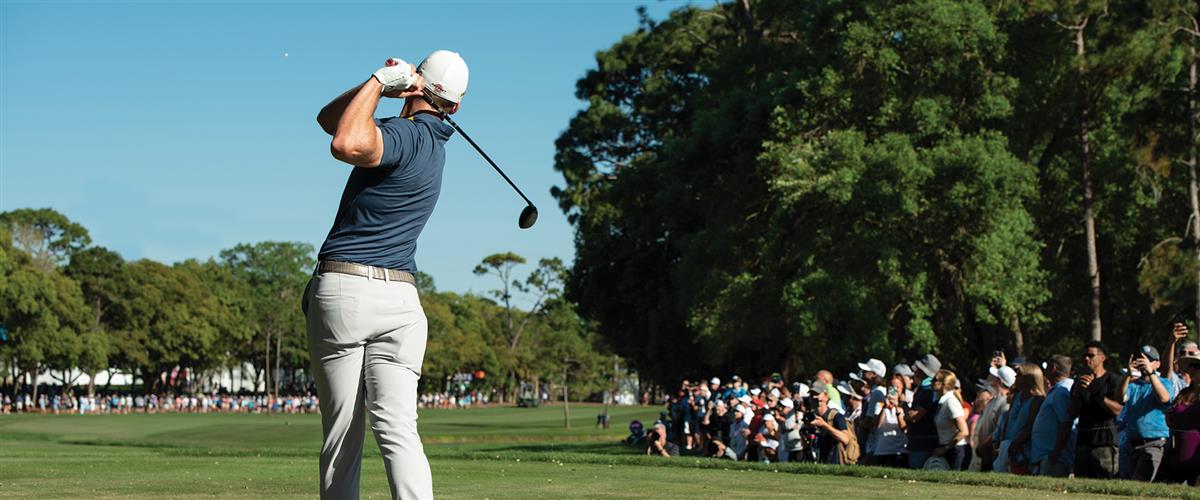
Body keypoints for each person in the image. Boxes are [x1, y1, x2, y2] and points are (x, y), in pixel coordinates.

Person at [306, 50, 469, 500]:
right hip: (402, 303)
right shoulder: (433, 145)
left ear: (417, 83)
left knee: (343, 434)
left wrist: (380, 81)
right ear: (455, 106)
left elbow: (343, 142)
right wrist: (378, 87)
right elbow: (329, 120)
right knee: (399, 430)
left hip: (347, 289)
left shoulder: (403, 135)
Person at [1120, 344, 1176, 482]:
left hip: (1154, 443)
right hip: (1132, 443)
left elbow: (1164, 398)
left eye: (1148, 360)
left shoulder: (1165, 383)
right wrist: (1127, 375)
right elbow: (1119, 398)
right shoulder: (1133, 385)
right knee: (1128, 483)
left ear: (1157, 364)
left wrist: (1151, 374)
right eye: (1140, 359)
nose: (1143, 363)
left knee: (1139, 482)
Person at [1069, 341, 1123, 479]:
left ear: (1102, 358)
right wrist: (1076, 393)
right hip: (1083, 442)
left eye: (1091, 355)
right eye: (1084, 356)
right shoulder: (1079, 381)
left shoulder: (1113, 380)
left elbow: (1117, 409)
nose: (1086, 359)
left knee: (1106, 483)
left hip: (1105, 443)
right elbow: (1072, 412)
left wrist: (1096, 392)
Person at [994, 363, 1045, 474]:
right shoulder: (1016, 396)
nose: (1015, 377)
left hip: (1024, 450)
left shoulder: (1037, 400)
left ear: (1029, 378)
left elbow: (1030, 427)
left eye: (1019, 375)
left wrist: (1014, 444)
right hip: (1008, 445)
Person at [1030, 355, 1074, 477]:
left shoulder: (1061, 392)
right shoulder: (1059, 389)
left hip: (1055, 458)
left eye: (1047, 367)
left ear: (1053, 368)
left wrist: (1055, 453)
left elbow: (1065, 423)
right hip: (1049, 455)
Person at [1163, 351, 1200, 484]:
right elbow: (1171, 417)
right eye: (1191, 366)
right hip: (1178, 452)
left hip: (1197, 455)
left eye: (1197, 366)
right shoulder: (1184, 393)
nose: (1193, 369)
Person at [973, 363, 1014, 472]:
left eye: (994, 377)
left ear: (999, 381)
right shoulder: (993, 400)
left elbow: (999, 430)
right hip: (984, 452)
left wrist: (984, 445)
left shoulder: (1005, 403)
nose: (991, 380)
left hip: (992, 453)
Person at [905, 354, 941, 469]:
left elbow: (914, 416)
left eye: (918, 368)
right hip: (919, 442)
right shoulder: (924, 389)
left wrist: (902, 403)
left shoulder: (927, 391)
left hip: (923, 444)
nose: (915, 370)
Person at [931, 370, 969, 470]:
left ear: (943, 384)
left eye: (935, 379)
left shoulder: (950, 402)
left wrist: (945, 448)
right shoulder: (943, 401)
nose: (931, 381)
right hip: (948, 448)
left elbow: (964, 431)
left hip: (955, 450)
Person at [809, 382, 853, 464]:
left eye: (817, 394)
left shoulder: (836, 416)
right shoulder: (811, 416)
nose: (814, 397)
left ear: (826, 397)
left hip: (834, 462)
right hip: (817, 461)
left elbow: (846, 439)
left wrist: (824, 425)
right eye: (812, 394)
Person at [873, 373, 909, 467]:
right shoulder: (880, 404)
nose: (894, 390)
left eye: (897, 387)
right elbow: (877, 425)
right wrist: (884, 408)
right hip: (882, 449)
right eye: (892, 387)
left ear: (902, 388)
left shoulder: (906, 406)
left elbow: (904, 427)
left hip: (900, 449)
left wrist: (897, 407)